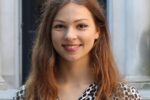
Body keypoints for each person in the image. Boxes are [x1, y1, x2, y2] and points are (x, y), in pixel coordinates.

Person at [14, 0, 141, 100]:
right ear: (49, 32)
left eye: (81, 26)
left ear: (97, 31)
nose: (70, 35)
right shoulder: (27, 96)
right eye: (60, 26)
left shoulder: (124, 96)